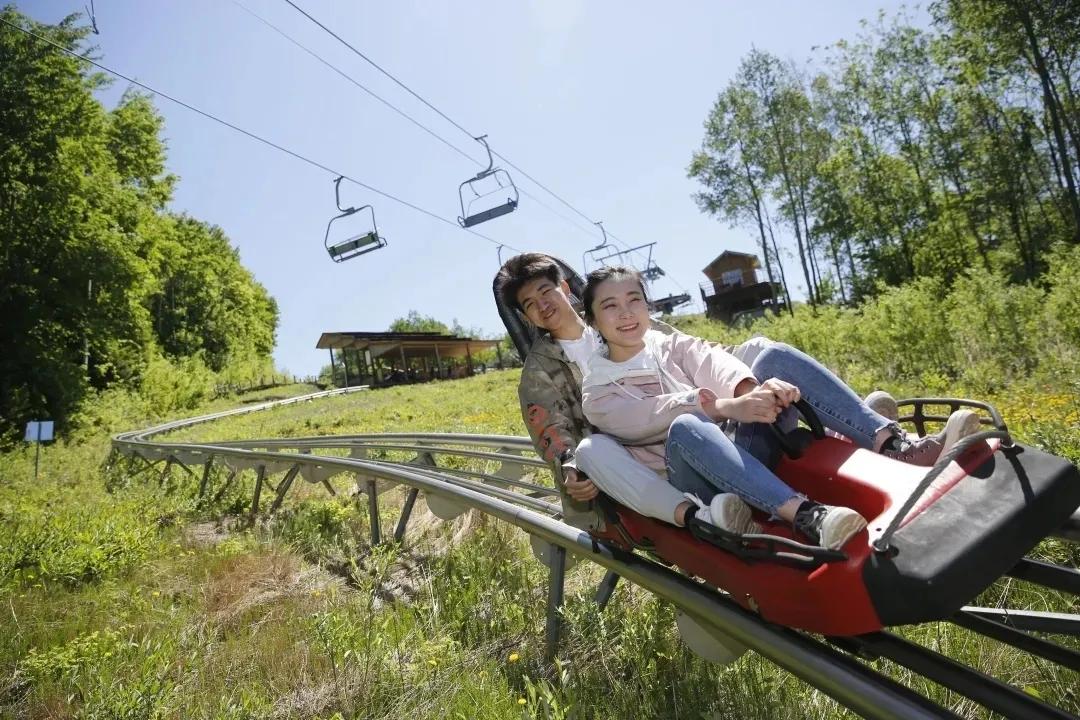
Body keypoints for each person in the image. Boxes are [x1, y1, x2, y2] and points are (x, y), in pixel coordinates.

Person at [578, 265, 979, 550]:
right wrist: (729, 406)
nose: (627, 313)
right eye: (611, 306)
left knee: (773, 356)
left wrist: (755, 390)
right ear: (594, 320)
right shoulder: (598, 391)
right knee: (686, 425)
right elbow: (652, 418)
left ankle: (892, 443)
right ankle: (807, 516)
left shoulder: (666, 343)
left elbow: (710, 360)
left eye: (635, 299)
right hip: (698, 482)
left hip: (741, 448)